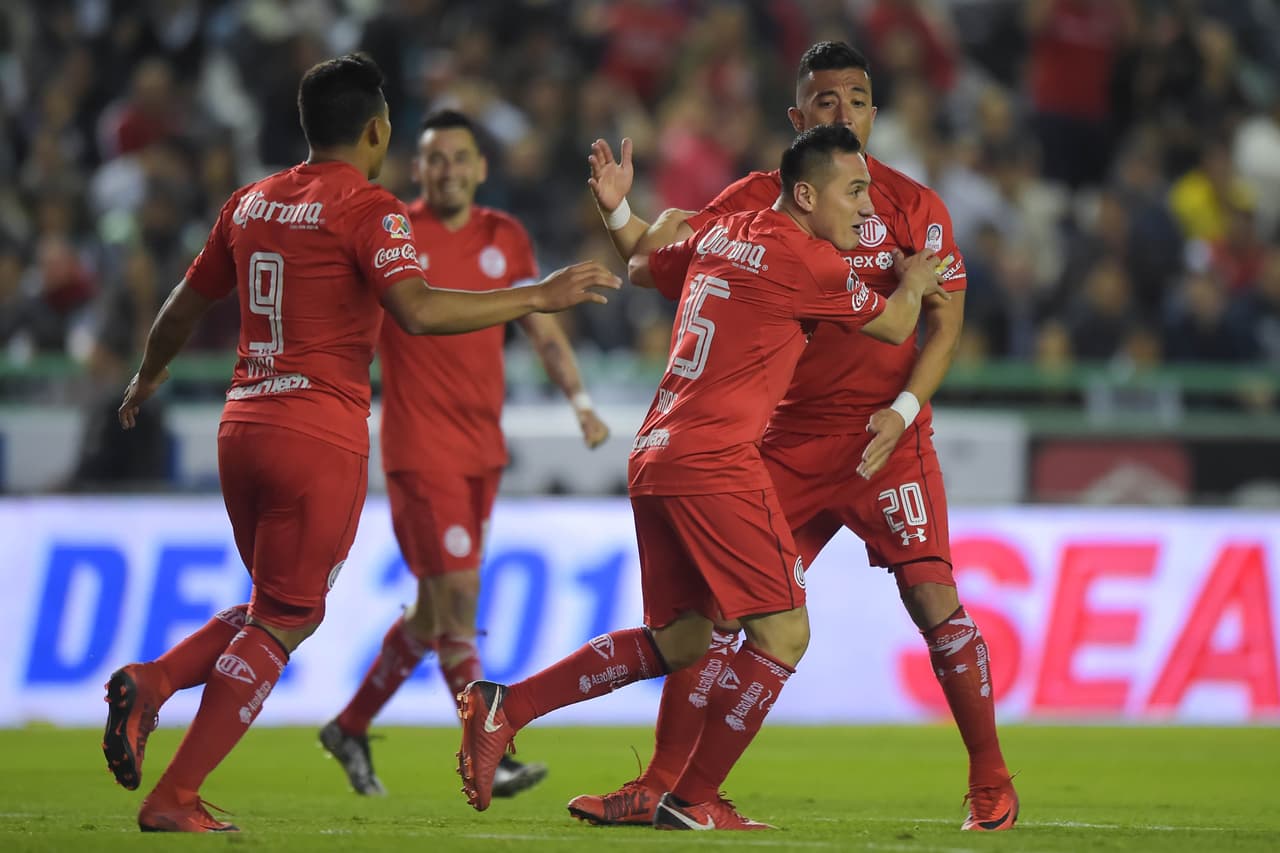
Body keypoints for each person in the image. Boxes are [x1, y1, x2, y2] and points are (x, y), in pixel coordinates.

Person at [99, 53, 618, 833]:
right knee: (286, 619)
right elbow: (417, 310)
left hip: (242, 424)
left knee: (275, 604)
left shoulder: (250, 201)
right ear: (377, 131)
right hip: (317, 433)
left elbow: (181, 304)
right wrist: (537, 295)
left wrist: (147, 376)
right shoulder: (372, 208)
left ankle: (156, 680)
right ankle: (176, 791)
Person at [574, 41, 1018, 832]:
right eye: (825, 100)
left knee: (934, 601)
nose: (843, 112)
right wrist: (618, 213)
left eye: (857, 99)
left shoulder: (915, 206)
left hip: (887, 439)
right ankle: (664, 785)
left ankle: (991, 782)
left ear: (875, 112)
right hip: (783, 441)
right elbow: (655, 262)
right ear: (797, 116)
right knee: (713, 613)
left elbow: (945, 324)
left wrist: (904, 410)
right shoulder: (756, 201)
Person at [455, 124, 949, 830]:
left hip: (657, 453)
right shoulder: (808, 260)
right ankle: (692, 801)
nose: (868, 207)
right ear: (807, 196)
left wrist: (616, 210)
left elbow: (640, 263)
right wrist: (915, 281)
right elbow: (898, 327)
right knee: (784, 633)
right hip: (717, 459)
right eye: (855, 190)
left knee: (685, 639)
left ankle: (507, 706)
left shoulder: (724, 232)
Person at [319, 109, 610, 798]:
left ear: (481, 168)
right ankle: (488, 745)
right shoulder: (392, 231)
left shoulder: (505, 235)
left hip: (483, 448)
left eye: (459, 157)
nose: (447, 169)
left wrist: (580, 399)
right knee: (458, 596)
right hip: (421, 447)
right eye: (435, 158)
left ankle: (349, 726)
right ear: (416, 168)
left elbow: (541, 327)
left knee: (431, 613)